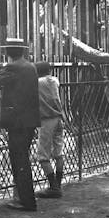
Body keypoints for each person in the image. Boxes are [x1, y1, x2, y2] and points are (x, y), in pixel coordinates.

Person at [0, 38, 41, 211]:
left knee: (19, 161)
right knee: (24, 159)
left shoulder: (13, 67)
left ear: (7, 53)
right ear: (23, 51)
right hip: (30, 120)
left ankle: (26, 201)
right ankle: (25, 198)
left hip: (16, 121)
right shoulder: (31, 67)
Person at [34, 61, 65, 199]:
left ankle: (53, 187)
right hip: (59, 118)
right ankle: (58, 184)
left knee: (43, 155)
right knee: (58, 152)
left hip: (46, 120)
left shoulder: (37, 83)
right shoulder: (54, 81)